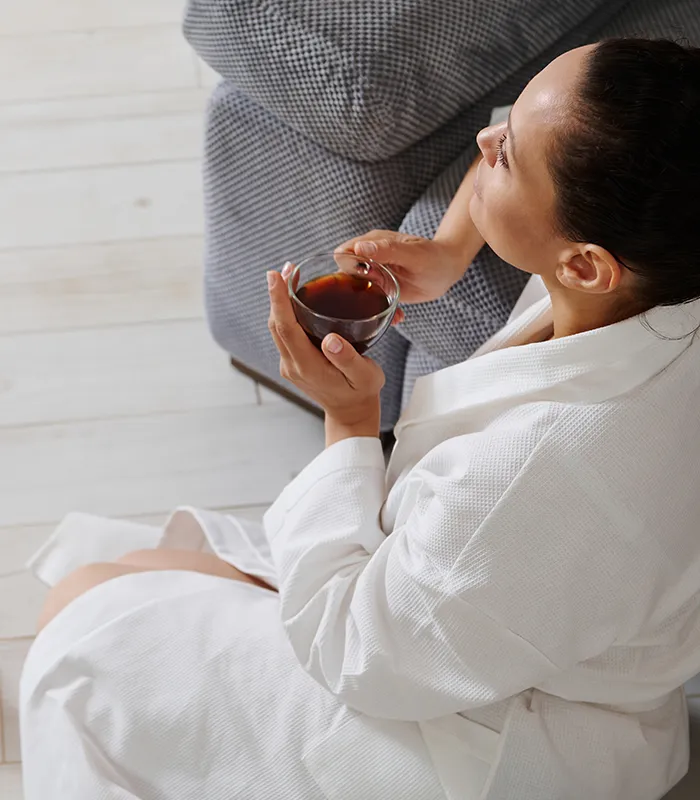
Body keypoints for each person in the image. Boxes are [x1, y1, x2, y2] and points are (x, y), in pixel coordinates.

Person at [21, 38, 700, 800]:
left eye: (505, 155)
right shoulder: (660, 266)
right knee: (125, 576)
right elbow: (530, 139)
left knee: (79, 622)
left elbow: (360, 655)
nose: (486, 137)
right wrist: (450, 245)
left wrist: (348, 418)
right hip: (540, 641)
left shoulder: (546, 468)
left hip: (473, 744)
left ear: (582, 264)